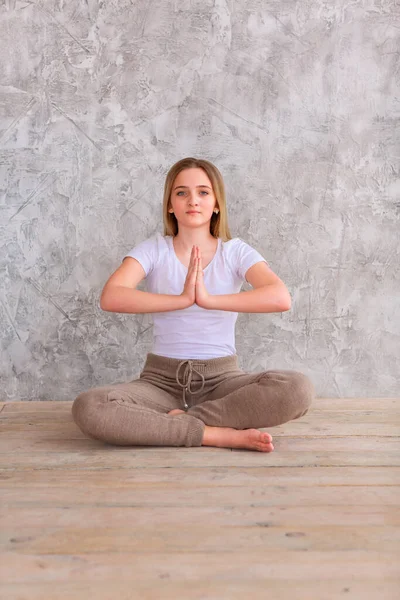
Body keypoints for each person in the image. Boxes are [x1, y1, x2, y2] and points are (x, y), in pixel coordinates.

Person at [72, 157, 315, 452]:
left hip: (222, 382)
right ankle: (214, 435)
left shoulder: (235, 252)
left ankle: (181, 423)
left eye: (203, 192)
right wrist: (181, 300)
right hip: (159, 383)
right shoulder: (154, 250)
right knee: (90, 406)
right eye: (181, 192)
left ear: (216, 204)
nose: (193, 200)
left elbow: (279, 297)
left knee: (297, 389)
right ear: (170, 205)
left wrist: (209, 300)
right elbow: (111, 296)